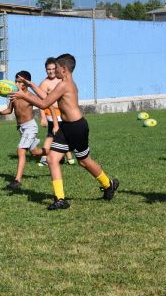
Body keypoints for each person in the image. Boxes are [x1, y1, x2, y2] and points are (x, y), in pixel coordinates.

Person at [11, 54, 119, 210]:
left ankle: (108, 184)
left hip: (77, 127)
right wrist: (31, 85)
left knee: (84, 161)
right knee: (52, 159)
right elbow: (47, 96)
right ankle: (60, 199)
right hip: (66, 127)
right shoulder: (64, 84)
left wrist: (23, 95)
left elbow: (44, 104)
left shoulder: (65, 85)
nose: (54, 71)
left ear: (64, 69)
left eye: (57, 68)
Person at [0, 71, 45, 189]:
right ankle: (56, 154)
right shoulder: (13, 96)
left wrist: (43, 118)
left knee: (21, 150)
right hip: (21, 128)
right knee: (35, 152)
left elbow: (42, 104)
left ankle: (17, 180)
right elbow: (9, 110)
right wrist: (0, 112)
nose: (16, 83)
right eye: (16, 80)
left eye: (20, 81)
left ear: (26, 83)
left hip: (30, 127)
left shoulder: (30, 96)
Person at [37, 57, 75, 166]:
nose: (51, 71)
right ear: (45, 70)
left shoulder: (61, 80)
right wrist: (43, 117)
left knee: (64, 135)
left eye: (53, 68)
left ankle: (69, 157)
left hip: (63, 113)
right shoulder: (44, 83)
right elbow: (41, 102)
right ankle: (44, 158)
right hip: (51, 114)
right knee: (51, 136)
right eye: (49, 69)